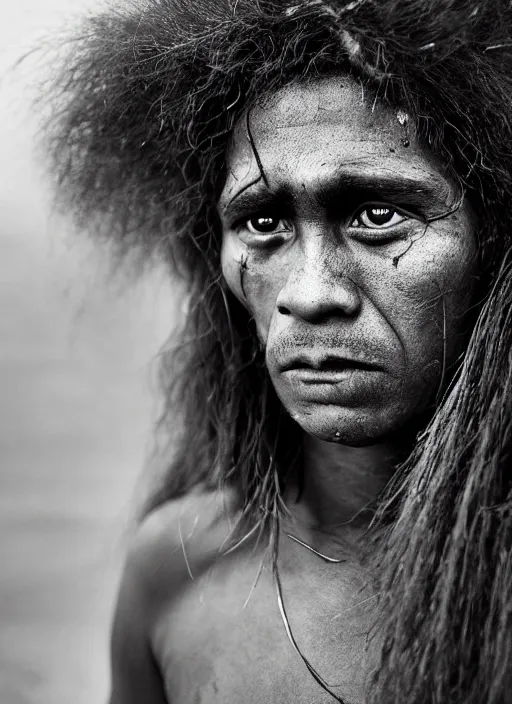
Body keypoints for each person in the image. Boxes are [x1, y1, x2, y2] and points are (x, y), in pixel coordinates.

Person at [44, 0, 512, 702]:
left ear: (494, 242)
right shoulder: (174, 571)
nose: (311, 293)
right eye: (263, 221)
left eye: (379, 215)